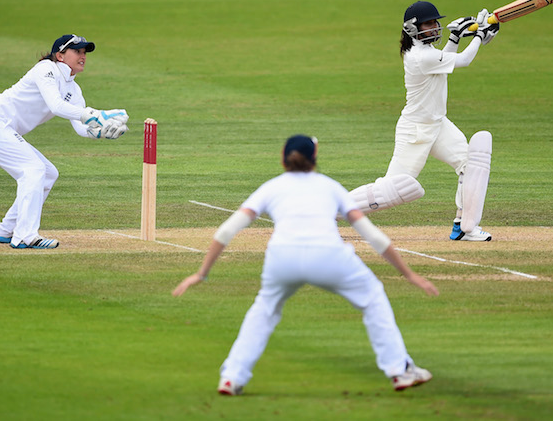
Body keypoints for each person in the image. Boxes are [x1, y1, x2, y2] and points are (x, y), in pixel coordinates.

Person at [172, 135, 439, 395]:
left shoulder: (272, 187)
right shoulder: (330, 186)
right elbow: (373, 236)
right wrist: (409, 274)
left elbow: (226, 232)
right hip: (329, 256)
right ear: (314, 158)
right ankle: (399, 370)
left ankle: (232, 377)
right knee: (372, 297)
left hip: (282, 258)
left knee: (264, 310)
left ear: (283, 159)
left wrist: (201, 273)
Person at [349, 2, 499, 241]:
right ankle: (331, 211)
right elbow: (462, 61)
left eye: (435, 22)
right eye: (429, 23)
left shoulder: (429, 54)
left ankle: (464, 226)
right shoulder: (419, 56)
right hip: (416, 130)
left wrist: (458, 36)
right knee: (392, 188)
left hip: (438, 124)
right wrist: (479, 36)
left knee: (469, 164)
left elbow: (445, 60)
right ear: (412, 28)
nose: (435, 27)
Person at [0, 34, 129, 249]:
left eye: (84, 52)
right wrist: (96, 114)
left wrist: (101, 132)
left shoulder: (74, 89)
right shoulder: (46, 69)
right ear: (60, 55)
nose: (83, 56)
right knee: (33, 169)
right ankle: (25, 236)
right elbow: (56, 106)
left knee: (48, 173)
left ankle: (6, 230)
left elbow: (81, 127)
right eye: (77, 51)